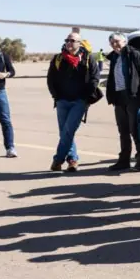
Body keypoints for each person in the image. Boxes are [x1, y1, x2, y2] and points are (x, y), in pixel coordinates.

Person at [46, 32, 100, 173]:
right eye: (67, 40)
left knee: (68, 130)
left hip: (79, 102)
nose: (69, 43)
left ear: (79, 43)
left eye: (72, 40)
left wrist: (85, 96)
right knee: (64, 132)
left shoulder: (87, 58)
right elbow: (50, 78)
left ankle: (58, 160)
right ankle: (72, 160)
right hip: (62, 101)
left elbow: (95, 78)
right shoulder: (58, 58)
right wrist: (56, 96)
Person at [105, 33, 140, 172]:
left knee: (136, 130)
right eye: (112, 42)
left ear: (125, 41)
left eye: (117, 41)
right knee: (123, 130)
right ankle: (124, 160)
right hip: (119, 98)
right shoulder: (114, 57)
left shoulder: (134, 54)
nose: (114, 44)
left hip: (133, 97)